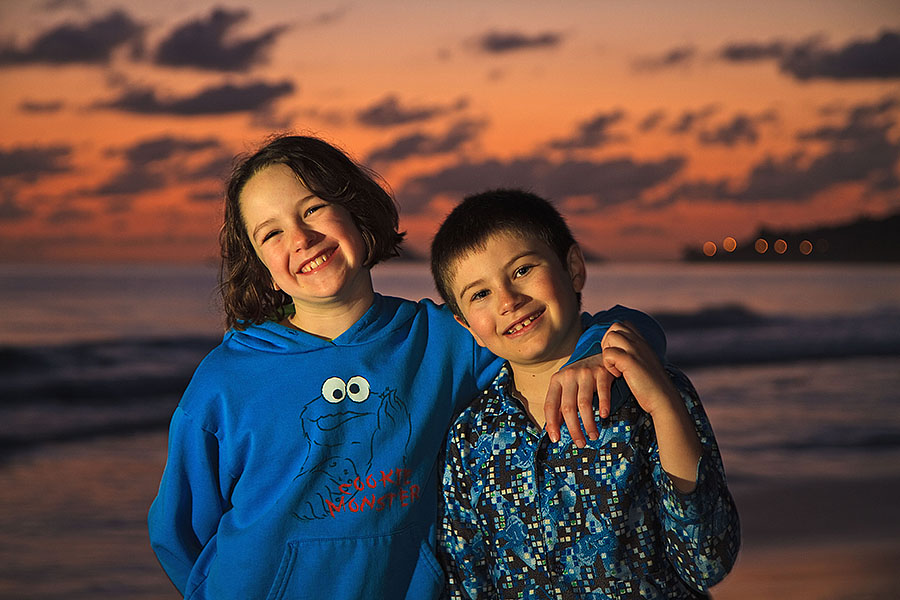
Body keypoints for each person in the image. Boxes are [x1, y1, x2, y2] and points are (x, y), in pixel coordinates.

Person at [147, 135, 667, 600]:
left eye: (313, 210)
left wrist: (593, 352)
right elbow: (180, 532)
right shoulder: (226, 379)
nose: (300, 239)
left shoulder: (444, 342)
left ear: (356, 213)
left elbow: (625, 327)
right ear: (259, 263)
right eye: (271, 234)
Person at [430, 189, 741, 599]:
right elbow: (468, 583)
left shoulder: (645, 393)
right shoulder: (470, 437)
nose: (508, 300)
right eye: (480, 294)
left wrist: (662, 405)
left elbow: (708, 563)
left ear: (574, 268)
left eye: (522, 270)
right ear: (466, 323)